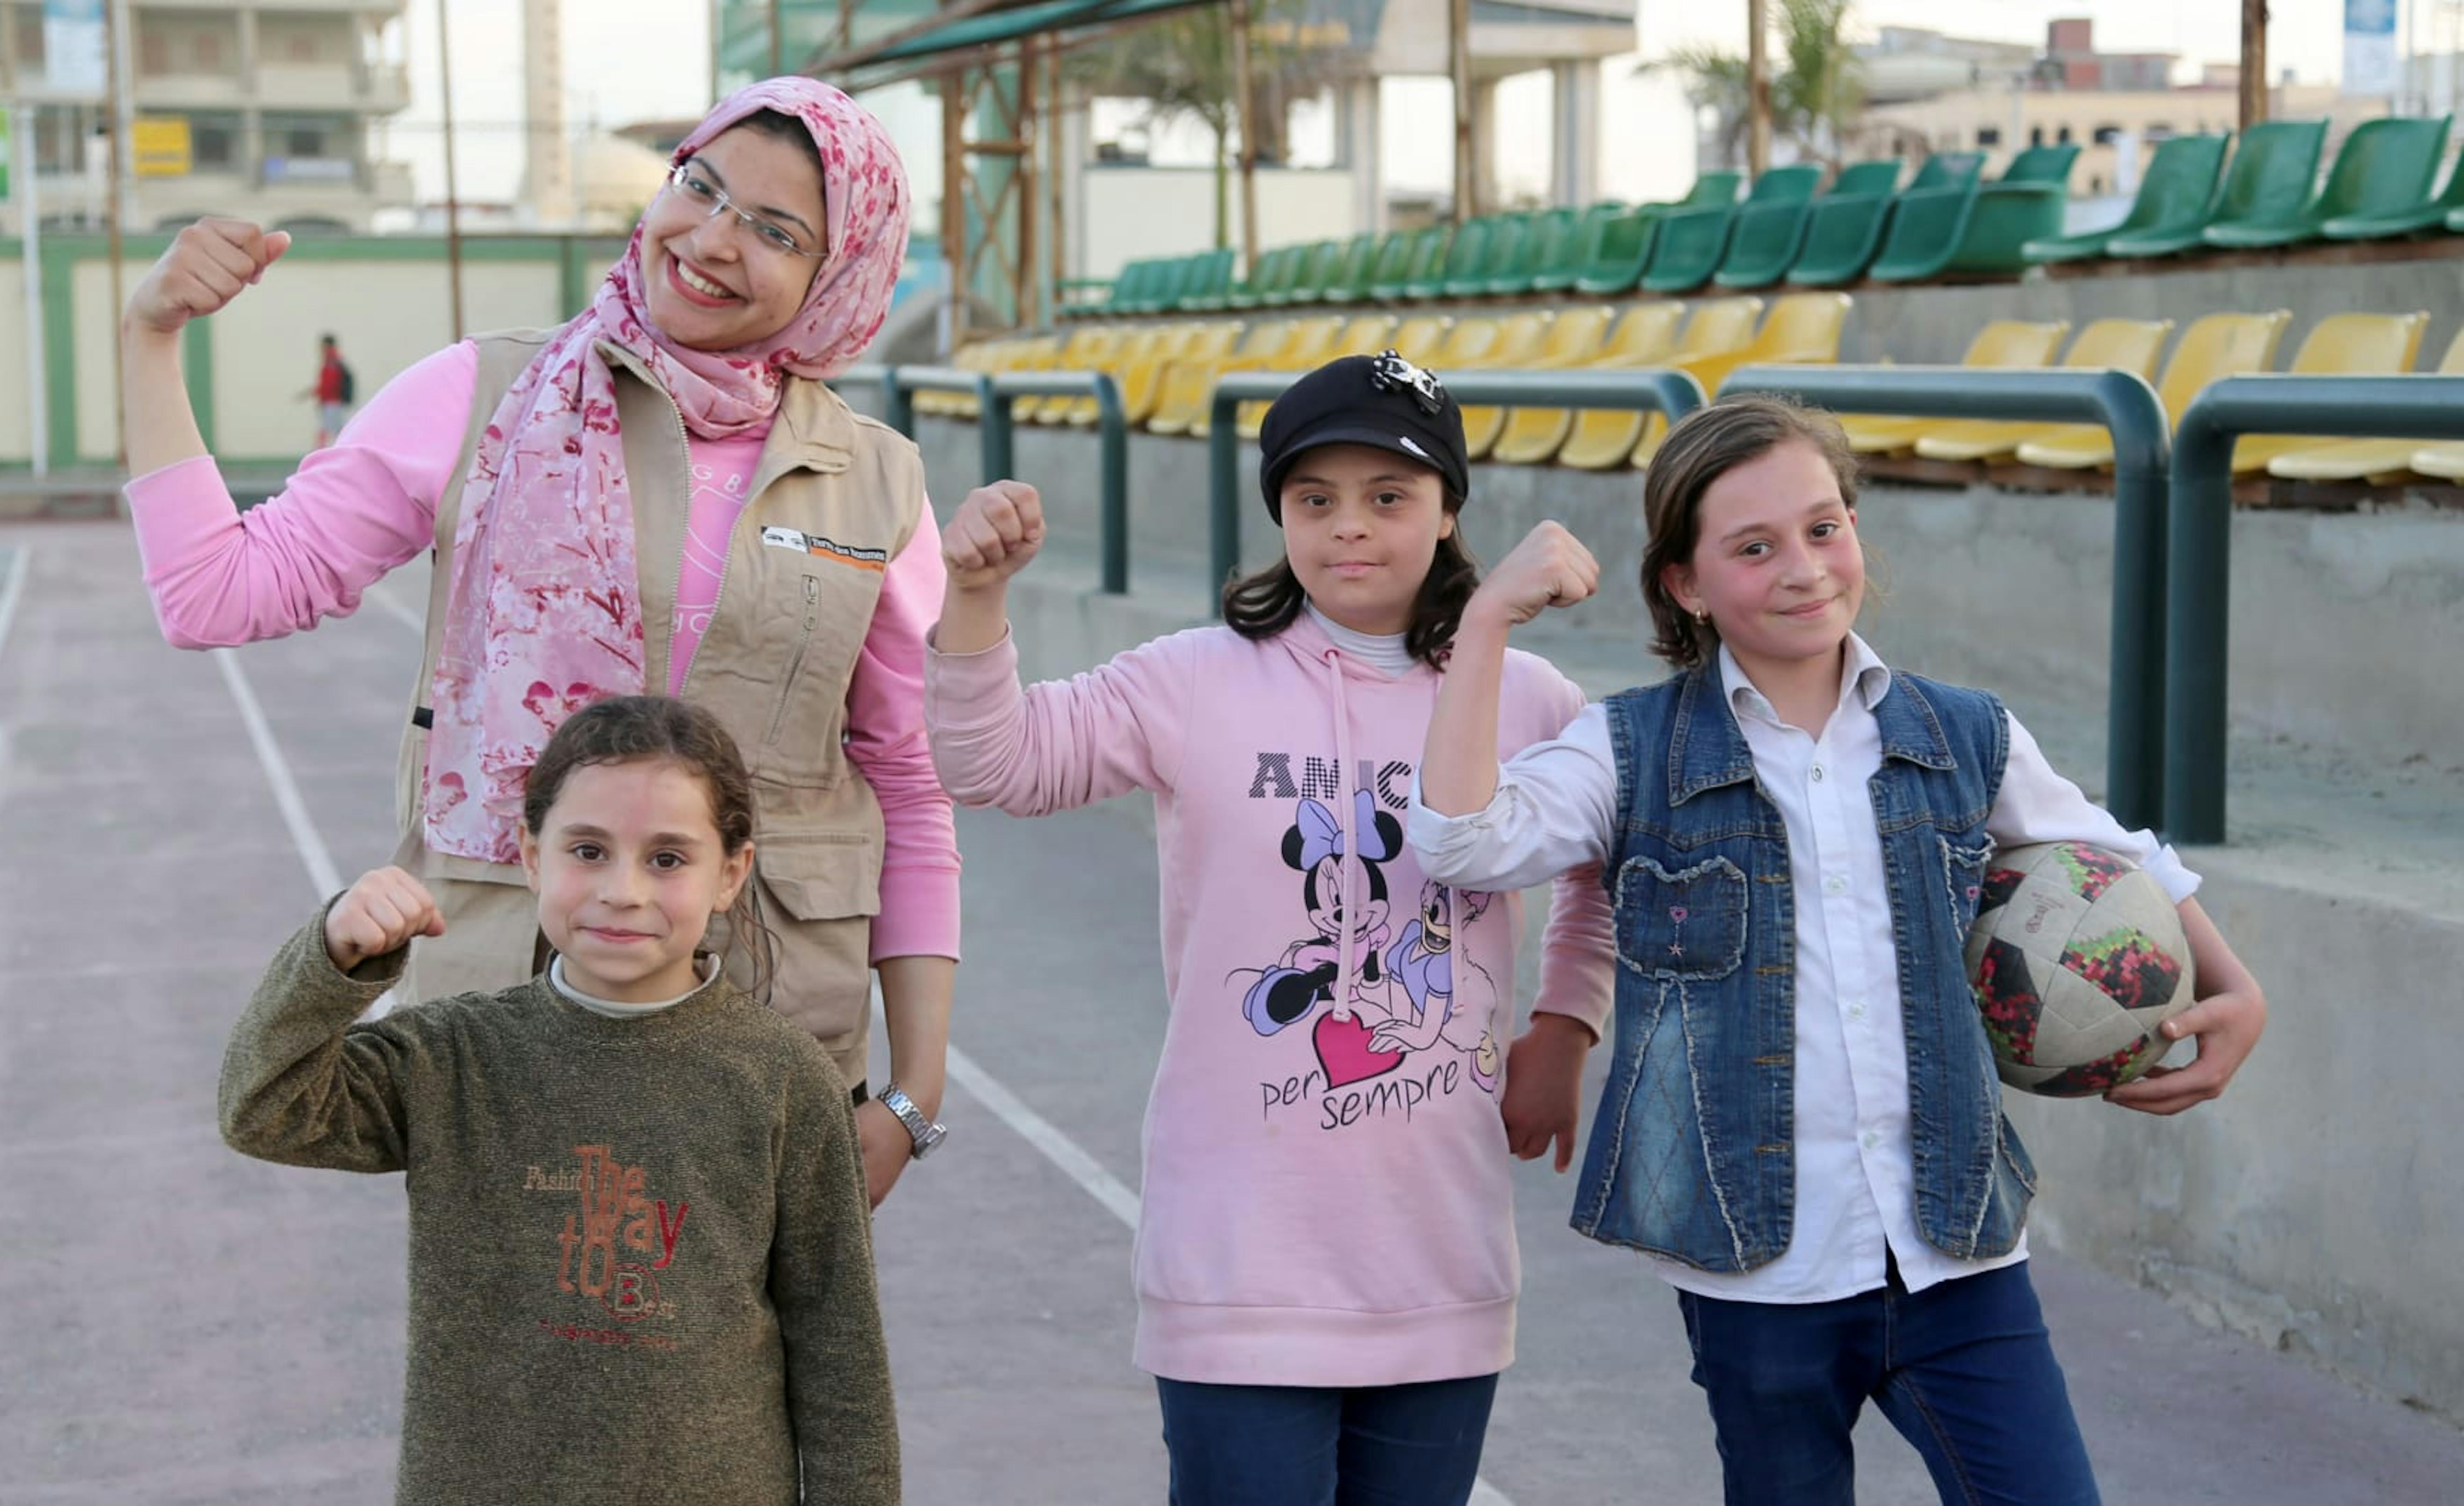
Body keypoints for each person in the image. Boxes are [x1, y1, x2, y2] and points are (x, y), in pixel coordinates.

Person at [1410, 394, 2271, 1505]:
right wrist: (1485, 623)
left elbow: (2113, 854)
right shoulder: (1629, 749)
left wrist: (2237, 986)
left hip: (1959, 1255)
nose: (1804, 567)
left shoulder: (1966, 732)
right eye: (1753, 546)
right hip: (1761, 1270)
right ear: (1685, 583)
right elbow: (1463, 839)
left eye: (1825, 527)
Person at [118, 77, 957, 1206]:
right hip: (515, 1014)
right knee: (514, 1365)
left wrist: (913, 1094)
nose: (710, 240)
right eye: (699, 186)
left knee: (759, 1375)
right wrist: (152, 334)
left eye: (774, 229)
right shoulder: (480, 398)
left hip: (770, 1032)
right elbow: (213, 593)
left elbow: (906, 778)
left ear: (835, 276)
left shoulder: (880, 483)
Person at [923, 350, 1615, 1505]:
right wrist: (977, 599)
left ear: (1448, 510)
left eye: (1388, 498)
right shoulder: (1196, 678)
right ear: (1279, 514)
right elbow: (991, 761)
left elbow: (1601, 865)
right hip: (1238, 1257)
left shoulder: (1529, 694)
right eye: (1315, 500)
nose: (1351, 529)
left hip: (1438, 1256)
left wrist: (1565, 1024)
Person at [221, 694, 899, 1506]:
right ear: (532, 856)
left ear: (731, 874)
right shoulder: (454, 1056)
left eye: (668, 858)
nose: (622, 890)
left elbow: (840, 1350)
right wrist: (330, 955)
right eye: (588, 849)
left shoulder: (784, 1077)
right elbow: (263, 1107)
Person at [302, 332, 355, 447]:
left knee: (333, 429)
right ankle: (329, 451)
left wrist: (320, 394)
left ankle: (328, 452)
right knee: (331, 429)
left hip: (332, 402)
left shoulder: (332, 361)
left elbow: (330, 384)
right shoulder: (331, 360)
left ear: (327, 346)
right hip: (330, 401)